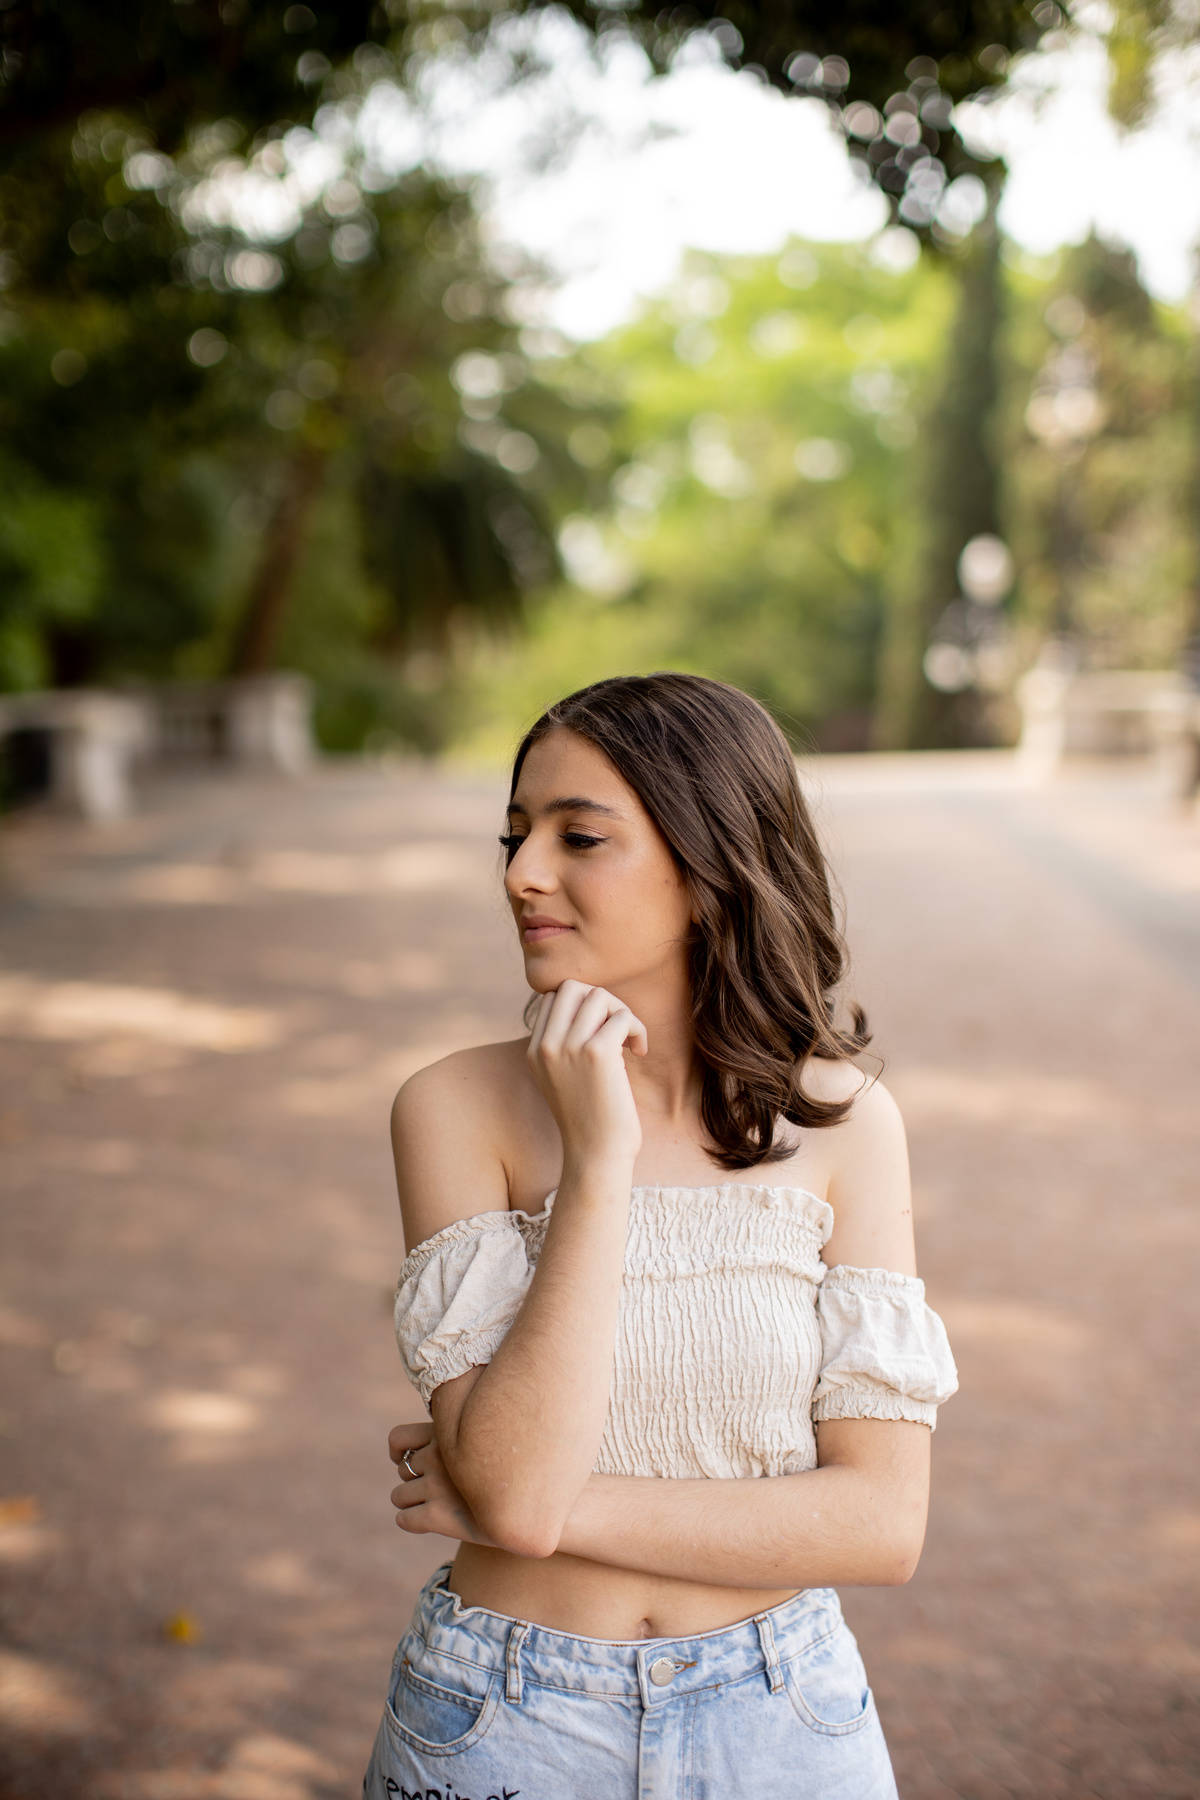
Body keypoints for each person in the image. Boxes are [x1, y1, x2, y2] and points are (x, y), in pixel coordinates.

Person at [365, 672, 957, 1799]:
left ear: (709, 864)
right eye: (515, 833)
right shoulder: (454, 1110)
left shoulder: (844, 1127)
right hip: (505, 1719)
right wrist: (597, 1168)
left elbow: (882, 1523)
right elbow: (518, 1495)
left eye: (578, 836)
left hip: (785, 1718)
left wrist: (535, 1510)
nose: (521, 873)